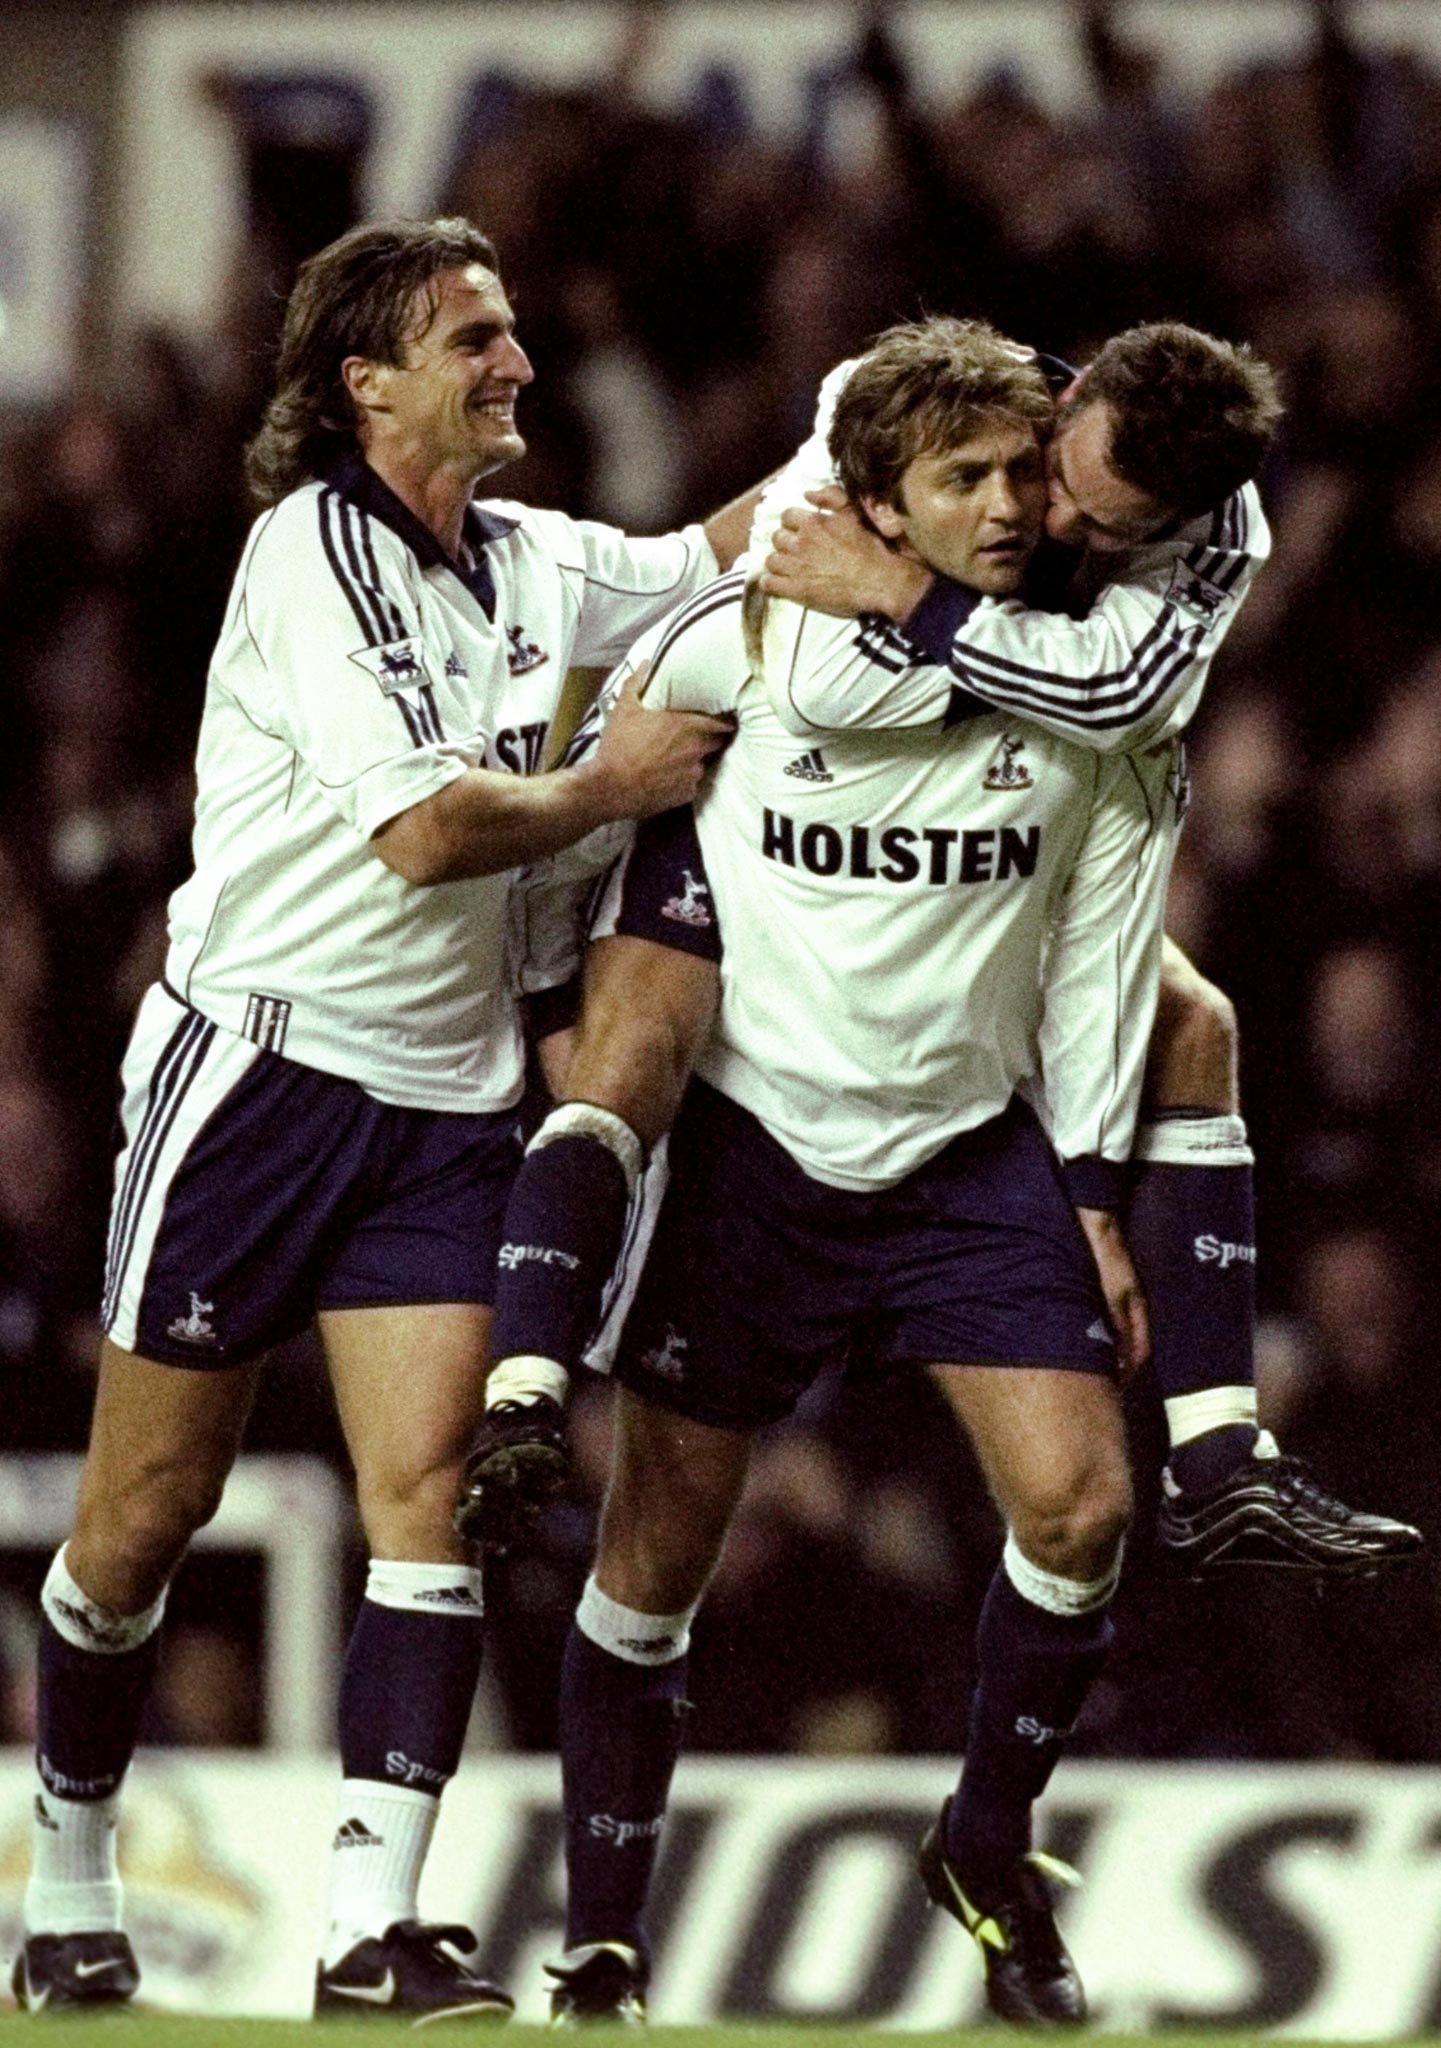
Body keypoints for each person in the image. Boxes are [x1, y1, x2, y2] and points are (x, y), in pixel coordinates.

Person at [10, 213, 759, 2022]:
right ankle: (71, 1870)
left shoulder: (529, 557)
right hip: (256, 1075)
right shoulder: (305, 553)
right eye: (475, 337)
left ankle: (366, 1928)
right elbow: (425, 829)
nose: (514, 362)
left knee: (430, 1500)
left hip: (442, 1098)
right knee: (145, 1511)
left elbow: (705, 555)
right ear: (369, 382)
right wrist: (610, 780)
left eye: (508, 330)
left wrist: (869, 436)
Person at [460, 319, 1420, 1584]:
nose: (1053, 524)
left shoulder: (1222, 535)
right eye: (1043, 476)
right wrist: (542, 987)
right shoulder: (891, 410)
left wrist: (908, 596)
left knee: (1196, 1022)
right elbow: (814, 679)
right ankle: (525, 1385)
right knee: (628, 1046)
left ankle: (1220, 1451)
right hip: (749, 831)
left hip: (987, 876)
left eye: (1106, 525)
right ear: (1061, 403)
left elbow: (1122, 699)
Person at [533, 321, 1181, 2028]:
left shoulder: (1102, 677)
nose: (1002, 502)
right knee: (657, 1546)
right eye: (958, 476)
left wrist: (1098, 1194)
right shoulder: (744, 637)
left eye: (1015, 470)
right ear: (872, 504)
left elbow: (1113, 952)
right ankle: (601, 1934)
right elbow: (581, 769)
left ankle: (984, 1839)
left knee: (1086, 1504)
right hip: (760, 1146)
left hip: (967, 1149)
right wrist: (553, 976)